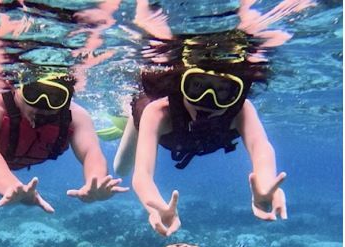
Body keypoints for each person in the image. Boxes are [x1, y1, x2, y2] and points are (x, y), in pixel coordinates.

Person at [112, 62, 287, 237]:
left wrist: (266, 182)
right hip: (151, 125)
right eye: (197, 85)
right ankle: (127, 119)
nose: (208, 98)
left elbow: (260, 146)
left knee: (121, 168)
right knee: (121, 168)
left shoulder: (242, 111)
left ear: (236, 94)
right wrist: (154, 206)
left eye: (222, 91)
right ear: (182, 85)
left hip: (183, 137)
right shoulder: (158, 112)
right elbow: (142, 174)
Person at [0, 72, 128, 212]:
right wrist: (9, 186)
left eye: (55, 98)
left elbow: (91, 152)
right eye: (33, 93)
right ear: (17, 88)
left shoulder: (75, 116)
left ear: (67, 99)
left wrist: (97, 182)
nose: (42, 105)